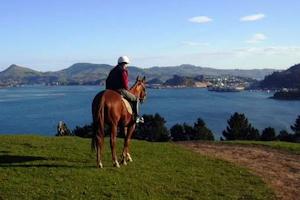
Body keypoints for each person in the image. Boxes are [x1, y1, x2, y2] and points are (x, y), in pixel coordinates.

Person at [106, 56, 144, 123]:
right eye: (126, 64)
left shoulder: (112, 70)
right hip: (119, 90)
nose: (126, 66)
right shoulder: (123, 71)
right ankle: (137, 117)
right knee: (136, 99)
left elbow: (107, 81)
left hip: (109, 90)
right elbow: (125, 83)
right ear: (125, 63)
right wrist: (126, 89)